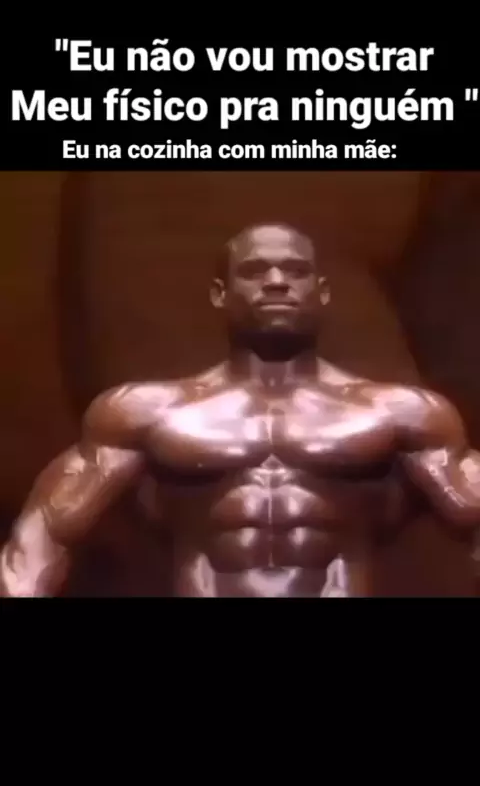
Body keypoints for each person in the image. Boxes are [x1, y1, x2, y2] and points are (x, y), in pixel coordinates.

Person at [1, 223, 479, 597]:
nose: (277, 283)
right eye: (254, 271)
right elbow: (44, 535)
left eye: (295, 271)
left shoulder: (402, 415)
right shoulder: (145, 414)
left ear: (322, 292)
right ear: (220, 293)